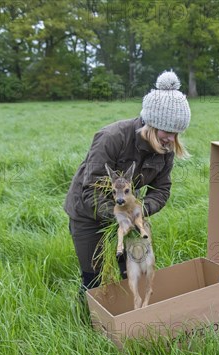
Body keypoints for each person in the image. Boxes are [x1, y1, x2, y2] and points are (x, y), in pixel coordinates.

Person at [65, 70, 190, 291]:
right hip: (88, 211)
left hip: (130, 213)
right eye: (168, 131)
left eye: (177, 133)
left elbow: (162, 189)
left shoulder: (165, 148)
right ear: (151, 123)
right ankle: (90, 321)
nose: (171, 139)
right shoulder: (112, 137)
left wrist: (140, 210)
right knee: (93, 278)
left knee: (135, 271)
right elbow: (90, 189)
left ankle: (133, 319)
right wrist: (118, 215)